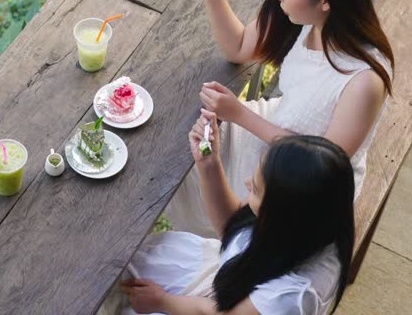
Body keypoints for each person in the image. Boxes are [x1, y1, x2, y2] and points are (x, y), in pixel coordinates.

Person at [167, 0, 394, 238]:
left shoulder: (363, 81)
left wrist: (239, 114)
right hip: (274, 132)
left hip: (301, 186)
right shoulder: (304, 16)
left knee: (189, 171)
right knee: (176, 146)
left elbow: (320, 167)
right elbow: (239, 47)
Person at [99, 111, 355, 315]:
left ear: (282, 216)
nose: (246, 185)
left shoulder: (288, 297)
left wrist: (163, 302)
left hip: (216, 304)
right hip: (229, 282)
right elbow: (233, 231)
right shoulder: (313, 221)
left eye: (255, 189)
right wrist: (209, 163)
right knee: (120, 261)